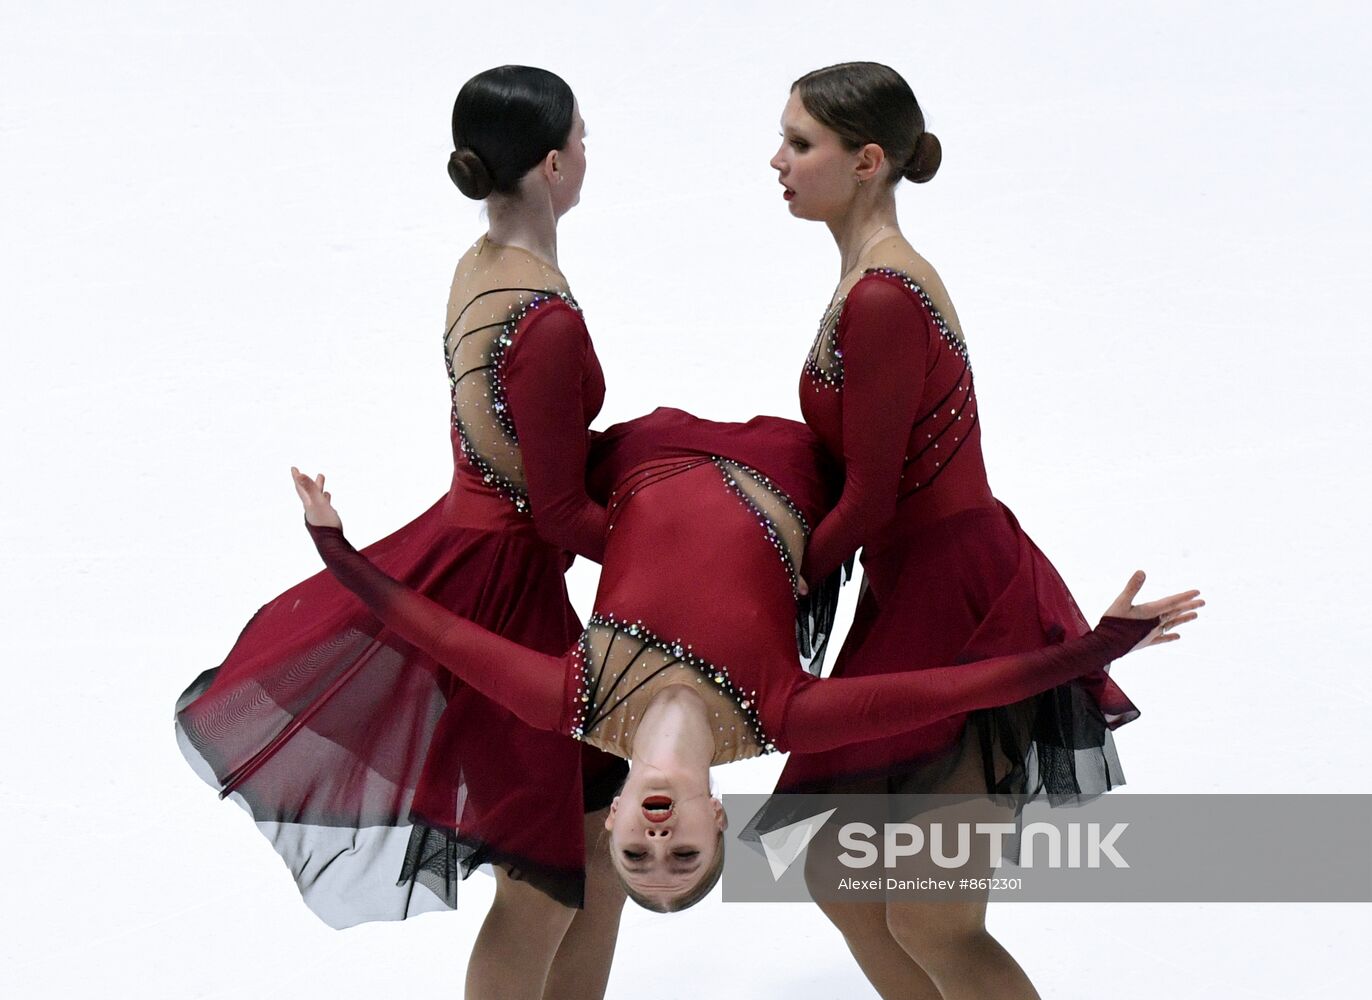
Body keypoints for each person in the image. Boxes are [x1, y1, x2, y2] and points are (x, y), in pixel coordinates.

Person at [290, 406, 1202, 914]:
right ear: (717, 820)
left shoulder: (569, 699)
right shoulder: (781, 713)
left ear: (608, 829)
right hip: (788, 465)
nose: (655, 839)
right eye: (679, 852)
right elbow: (959, 685)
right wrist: (1093, 647)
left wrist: (335, 548)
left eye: (640, 855)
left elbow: (433, 629)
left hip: (644, 453)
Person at [174, 66, 628, 1000]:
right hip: (505, 608)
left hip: (490, 573)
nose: (590, 151)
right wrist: (688, 552)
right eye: (582, 137)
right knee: (543, 886)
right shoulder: (541, 319)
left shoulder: (480, 266)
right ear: (550, 164)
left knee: (598, 848)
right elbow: (559, 513)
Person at [767, 61, 1171, 999]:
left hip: (961, 596)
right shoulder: (864, 278)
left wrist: (769, 587)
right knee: (840, 871)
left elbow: (867, 500)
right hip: (911, 586)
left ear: (867, 160)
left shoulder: (882, 295)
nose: (778, 161)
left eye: (800, 143)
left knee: (933, 912)